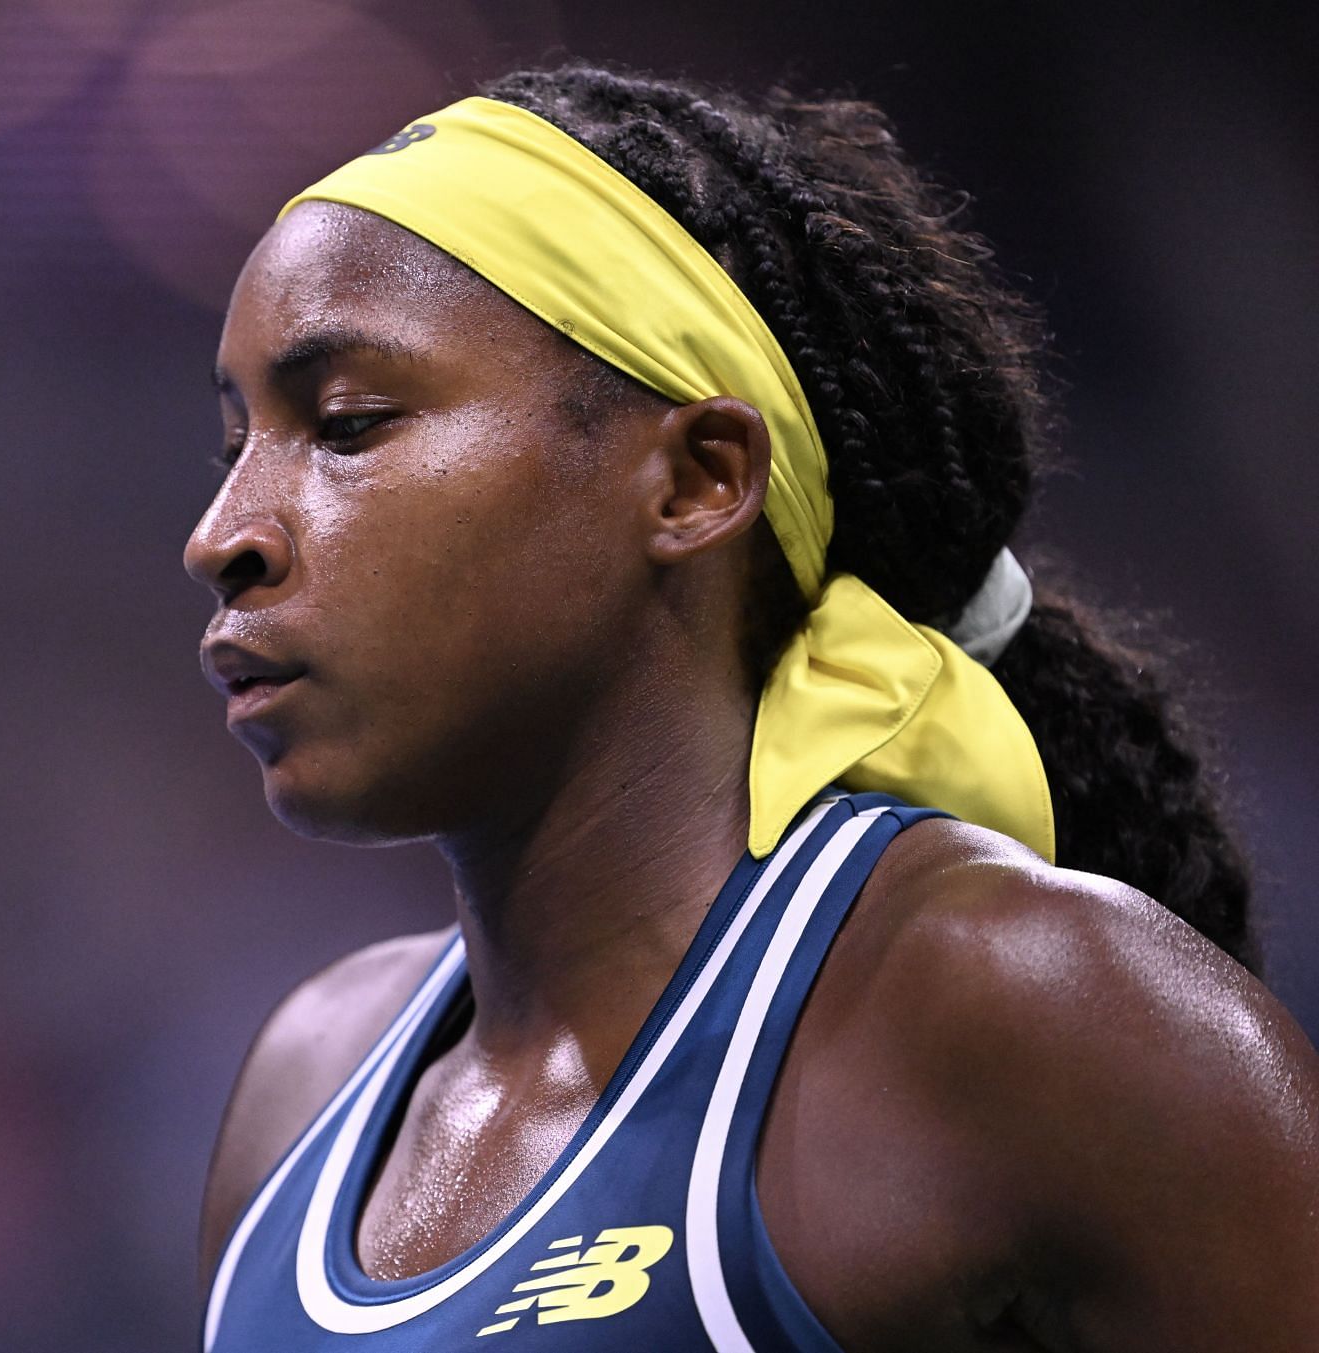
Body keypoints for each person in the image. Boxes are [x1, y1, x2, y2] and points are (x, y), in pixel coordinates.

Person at [183, 65, 1319, 1351]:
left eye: (348, 423)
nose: (222, 537)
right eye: (234, 450)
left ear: (696, 481)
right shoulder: (308, 1083)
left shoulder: (1019, 1007)